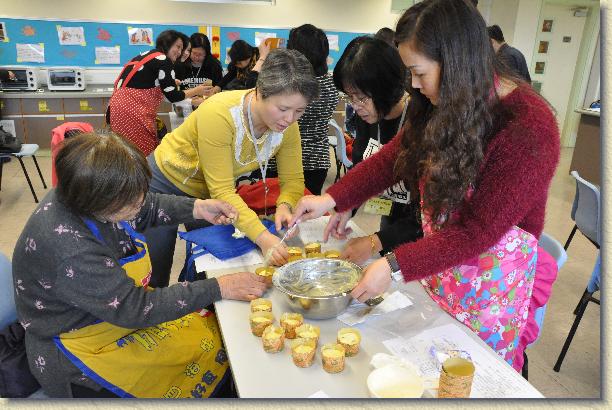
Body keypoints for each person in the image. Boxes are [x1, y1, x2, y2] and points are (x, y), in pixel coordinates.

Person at [290, 0, 560, 372]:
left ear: (456, 62)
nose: (414, 85)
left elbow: (477, 231)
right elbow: (396, 157)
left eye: (419, 72)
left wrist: (394, 263)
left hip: (492, 281)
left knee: (472, 374)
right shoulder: (443, 99)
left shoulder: (529, 126)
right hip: (444, 263)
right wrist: (333, 197)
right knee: (431, 356)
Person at [12, 132, 268, 398]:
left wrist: (197, 208)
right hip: (79, 351)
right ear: (94, 202)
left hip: (110, 316)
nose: (139, 205)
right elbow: (136, 308)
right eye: (130, 203)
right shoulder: (70, 248)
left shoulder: (91, 195)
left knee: (217, 338)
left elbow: (145, 206)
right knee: (213, 350)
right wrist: (219, 287)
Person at [145, 48, 319, 288]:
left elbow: (293, 179)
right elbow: (224, 192)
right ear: (260, 92)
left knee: (208, 261)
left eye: (299, 111)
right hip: (164, 183)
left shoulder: (288, 126)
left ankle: (200, 314)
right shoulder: (221, 113)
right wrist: (263, 237)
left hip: (209, 192)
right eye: (282, 109)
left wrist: (285, 205)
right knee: (155, 271)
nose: (289, 119)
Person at [332, 36, 420, 265]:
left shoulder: (418, 121)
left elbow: (424, 215)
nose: (355, 106)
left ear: (386, 87)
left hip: (420, 234)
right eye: (350, 96)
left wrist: (374, 242)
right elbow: (363, 169)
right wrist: (347, 204)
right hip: (389, 219)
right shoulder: (369, 115)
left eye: (361, 97)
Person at [108, 30, 209, 156]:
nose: (180, 52)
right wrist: (197, 90)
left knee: (124, 149)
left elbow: (146, 82)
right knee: (139, 151)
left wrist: (171, 83)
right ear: (167, 43)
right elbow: (172, 96)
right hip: (132, 111)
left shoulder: (150, 55)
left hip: (118, 108)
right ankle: (142, 175)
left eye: (182, 49)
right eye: (178, 47)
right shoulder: (164, 60)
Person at [267, 24, 339, 195]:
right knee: (306, 215)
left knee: (275, 212)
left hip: (282, 158)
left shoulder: (290, 85)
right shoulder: (331, 83)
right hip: (316, 160)